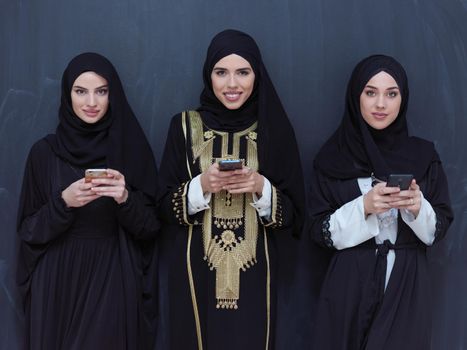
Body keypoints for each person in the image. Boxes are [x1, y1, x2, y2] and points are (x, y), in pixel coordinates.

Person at [156, 29, 305, 349]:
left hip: (256, 279)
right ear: (208, 75)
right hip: (194, 278)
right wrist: (202, 186)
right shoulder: (183, 126)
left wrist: (261, 187)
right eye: (221, 72)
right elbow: (162, 208)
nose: (232, 84)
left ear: (257, 75)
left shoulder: (274, 129)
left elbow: (294, 216)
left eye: (243, 72)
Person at [309, 54, 454, 349]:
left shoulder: (424, 157)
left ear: (403, 98)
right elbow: (317, 230)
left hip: (406, 280)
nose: (380, 104)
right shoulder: (332, 158)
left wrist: (416, 207)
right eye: (370, 92)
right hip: (349, 283)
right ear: (356, 96)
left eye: (391, 94)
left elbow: (438, 226)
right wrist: (364, 206)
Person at [16, 52, 159, 350]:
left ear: (113, 95)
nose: (91, 102)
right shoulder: (44, 153)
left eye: (101, 91)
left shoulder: (130, 149)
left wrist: (125, 198)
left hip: (111, 276)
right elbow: (28, 231)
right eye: (81, 91)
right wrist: (63, 201)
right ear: (68, 95)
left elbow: (151, 229)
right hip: (56, 281)